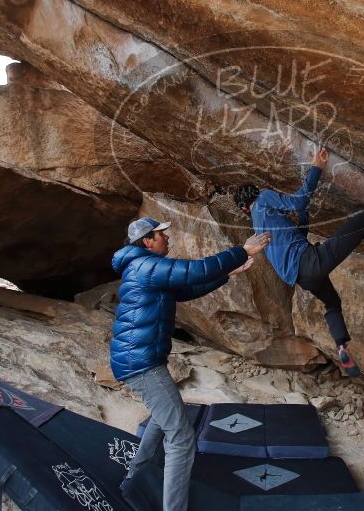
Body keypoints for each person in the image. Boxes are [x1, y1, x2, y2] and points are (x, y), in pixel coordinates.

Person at [233, 148, 364, 377]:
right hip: (310, 261)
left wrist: (304, 215)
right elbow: (297, 203)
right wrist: (316, 167)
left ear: (243, 209)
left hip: (303, 278)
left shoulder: (258, 227)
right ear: (253, 196)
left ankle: (342, 347)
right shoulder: (262, 199)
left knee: (333, 304)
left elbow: (299, 234)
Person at [110, 216, 270, 511]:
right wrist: (241, 250)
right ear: (147, 241)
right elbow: (194, 270)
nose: (167, 238)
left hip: (140, 361)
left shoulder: (143, 268)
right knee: (181, 436)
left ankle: (133, 476)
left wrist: (228, 273)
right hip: (141, 365)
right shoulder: (147, 265)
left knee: (163, 417)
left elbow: (187, 288)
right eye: (161, 235)